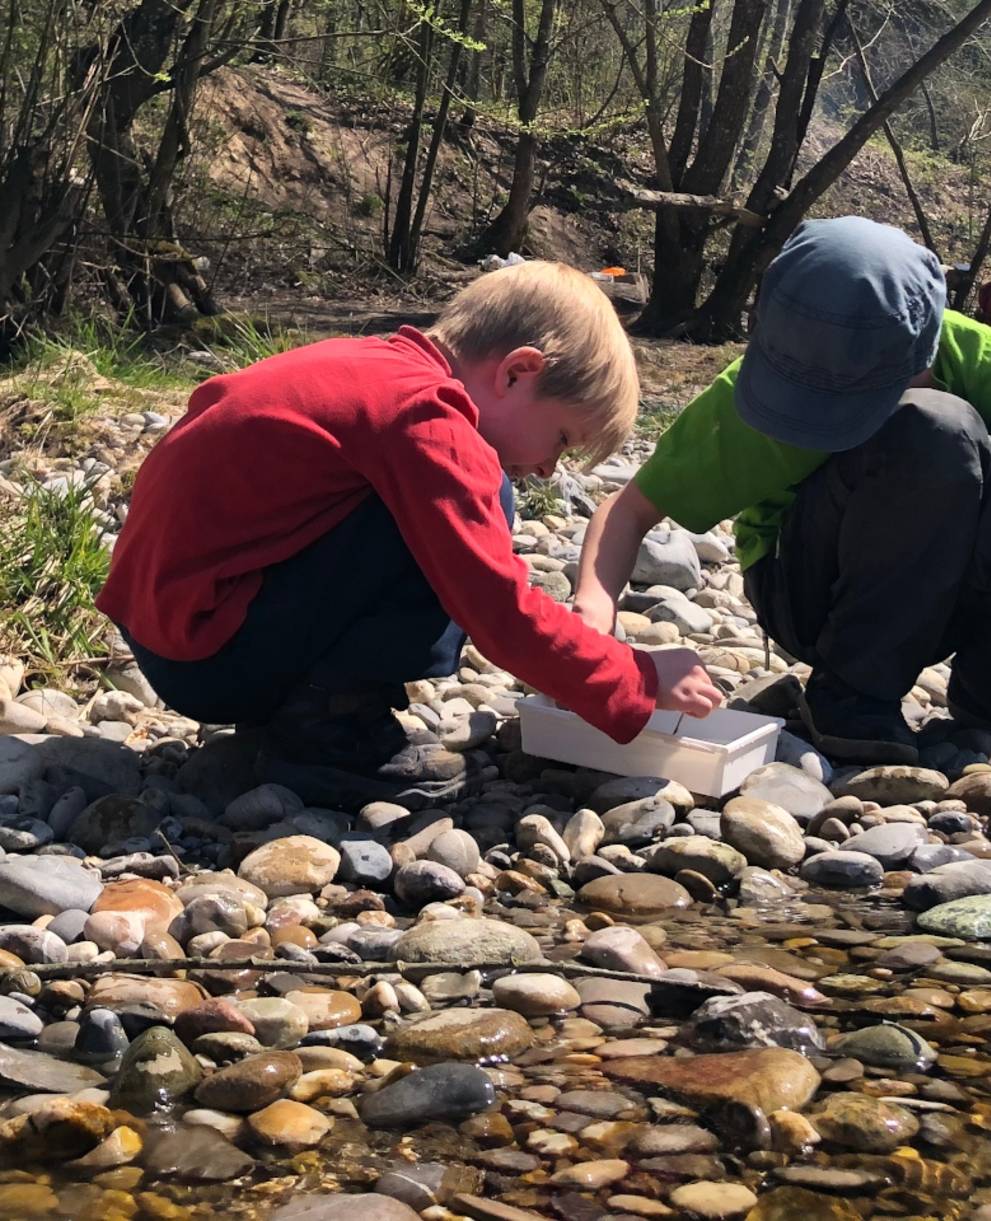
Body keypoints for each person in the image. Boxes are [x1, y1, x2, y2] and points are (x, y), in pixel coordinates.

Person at [96, 261, 722, 810]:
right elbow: (496, 609)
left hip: (174, 629)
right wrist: (633, 677)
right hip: (211, 657)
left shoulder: (369, 365)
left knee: (482, 488)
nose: (547, 469)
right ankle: (325, 731)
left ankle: (298, 708)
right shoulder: (423, 416)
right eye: (561, 440)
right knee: (483, 496)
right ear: (517, 373)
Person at [574, 216, 991, 765]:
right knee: (936, 430)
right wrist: (589, 632)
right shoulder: (755, 394)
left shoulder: (975, 359)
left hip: (949, 595)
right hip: (808, 592)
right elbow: (628, 511)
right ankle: (851, 689)